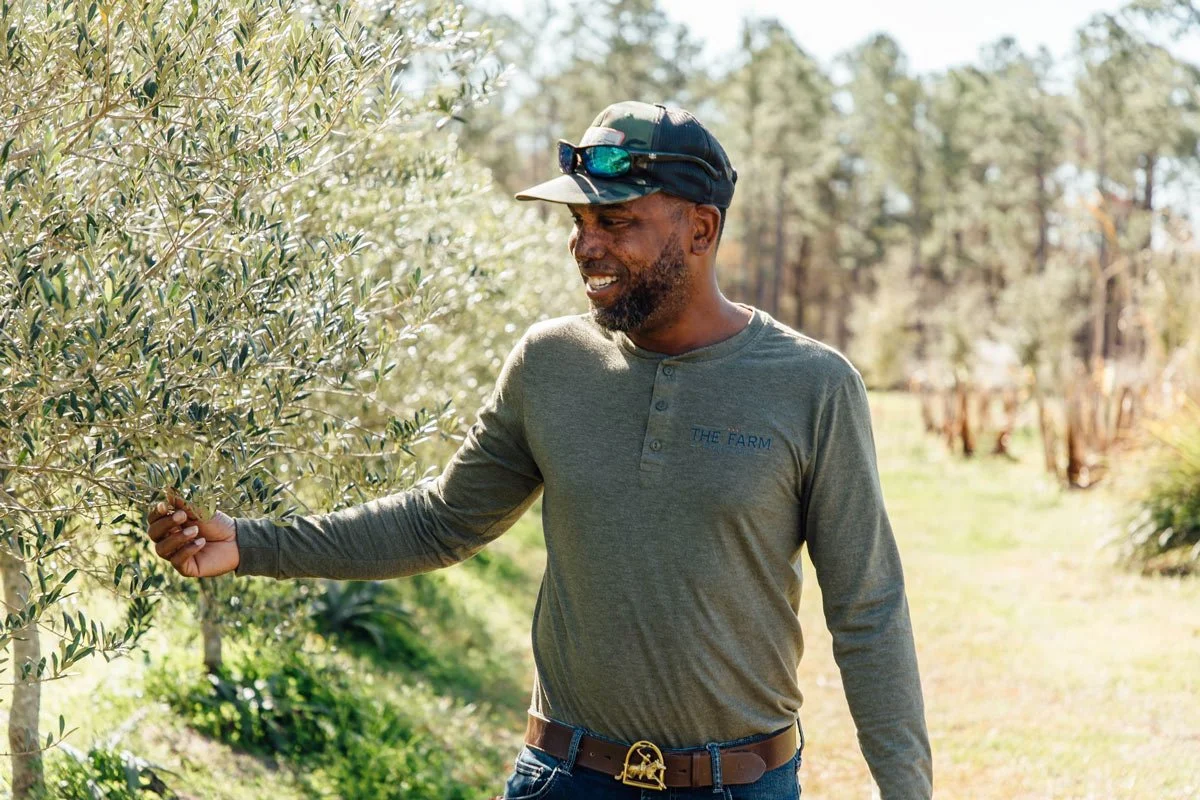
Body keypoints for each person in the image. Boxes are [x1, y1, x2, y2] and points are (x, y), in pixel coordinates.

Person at [146, 100, 932, 799]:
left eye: (616, 222)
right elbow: (440, 523)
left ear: (701, 229)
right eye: (579, 223)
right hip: (562, 777)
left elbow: (867, 609)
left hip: (740, 784)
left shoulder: (813, 385)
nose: (587, 247)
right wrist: (248, 544)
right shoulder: (551, 362)